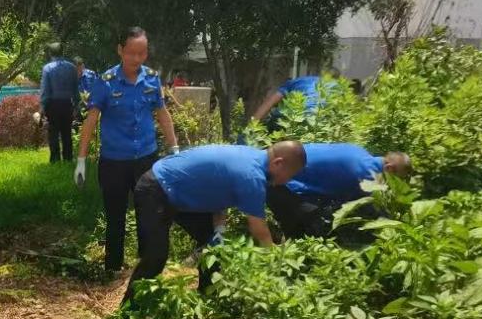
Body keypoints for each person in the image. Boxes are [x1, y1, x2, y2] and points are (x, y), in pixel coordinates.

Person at [123, 141, 306, 302]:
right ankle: (128, 315)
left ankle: (208, 298)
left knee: (214, 247)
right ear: (278, 163)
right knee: (155, 257)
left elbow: (220, 193)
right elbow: (260, 232)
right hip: (157, 188)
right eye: (289, 175)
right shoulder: (252, 176)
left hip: (176, 189)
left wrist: (219, 229)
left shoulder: (251, 157)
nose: (287, 181)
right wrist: (278, 264)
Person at [76, 27, 180, 273]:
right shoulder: (106, 81)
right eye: (131, 53)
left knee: (149, 213)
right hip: (114, 162)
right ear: (120, 50)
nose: (136, 59)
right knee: (116, 216)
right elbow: (91, 119)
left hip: (146, 158)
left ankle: (146, 268)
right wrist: (81, 159)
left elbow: (162, 114)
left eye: (142, 53)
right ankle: (112, 268)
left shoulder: (151, 78)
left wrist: (174, 147)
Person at [268, 143, 411, 239]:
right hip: (282, 179)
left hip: (281, 156)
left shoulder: (359, 150)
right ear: (389, 169)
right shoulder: (367, 178)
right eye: (397, 179)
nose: (394, 184)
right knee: (314, 226)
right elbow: (362, 208)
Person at [249, 72, 340, 127]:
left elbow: (269, 103)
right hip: (320, 124)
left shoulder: (298, 81)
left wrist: (251, 127)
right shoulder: (338, 88)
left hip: (290, 119)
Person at [39, 44, 79, 164]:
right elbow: (75, 88)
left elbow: (45, 90)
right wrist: (76, 105)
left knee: (53, 133)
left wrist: (42, 106)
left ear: (51, 53)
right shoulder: (72, 67)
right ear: (62, 52)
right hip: (67, 104)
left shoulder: (48, 68)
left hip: (53, 105)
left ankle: (55, 160)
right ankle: (68, 158)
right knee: (67, 132)